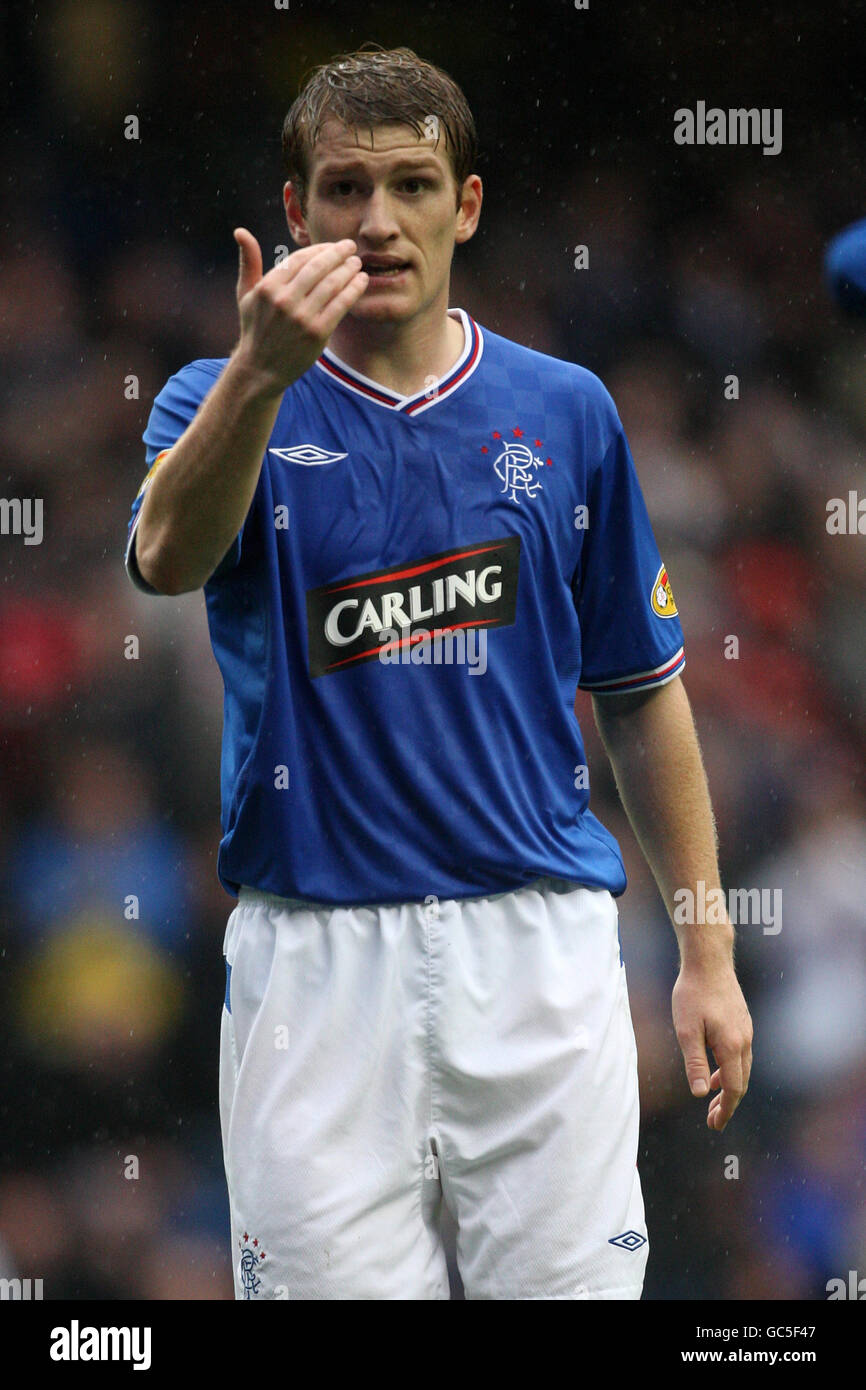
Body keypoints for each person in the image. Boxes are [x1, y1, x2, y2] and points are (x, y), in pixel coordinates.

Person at [124, 43, 752, 1301]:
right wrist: (256, 375)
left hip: (538, 956)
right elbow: (163, 555)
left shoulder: (565, 410)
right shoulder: (216, 395)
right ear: (295, 211)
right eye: (345, 188)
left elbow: (641, 690)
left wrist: (705, 954)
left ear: (464, 204)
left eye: (411, 184)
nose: (377, 221)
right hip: (315, 964)